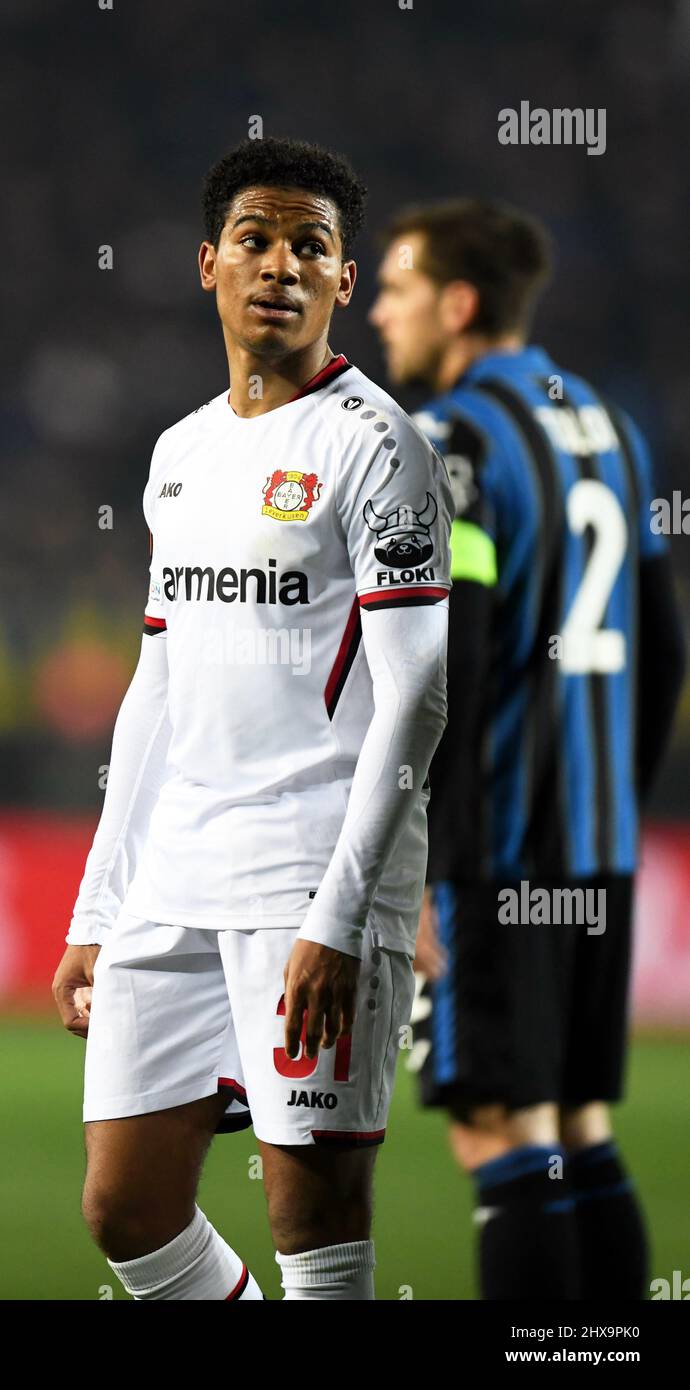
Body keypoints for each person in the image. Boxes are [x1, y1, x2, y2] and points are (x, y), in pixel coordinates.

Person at [51, 138, 454, 1301]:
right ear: (207, 265)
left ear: (340, 279)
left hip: (308, 875)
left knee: (308, 1218)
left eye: (309, 247)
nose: (279, 264)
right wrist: (99, 901)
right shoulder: (178, 455)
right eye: (255, 241)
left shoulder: (380, 451)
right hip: (174, 873)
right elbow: (157, 685)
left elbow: (415, 694)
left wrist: (339, 917)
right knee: (125, 1208)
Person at [369, 198, 685, 1300]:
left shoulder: (452, 441)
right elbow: (665, 648)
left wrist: (409, 864)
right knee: (575, 1129)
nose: (375, 309)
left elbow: (437, 663)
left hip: (492, 852)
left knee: (500, 1136)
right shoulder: (605, 425)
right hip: (592, 852)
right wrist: (610, 805)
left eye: (397, 288)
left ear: (456, 305)